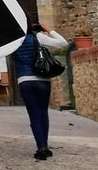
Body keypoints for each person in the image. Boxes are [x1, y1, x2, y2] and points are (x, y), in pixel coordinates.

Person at [13, 17, 68, 159]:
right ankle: (46, 146)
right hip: (43, 80)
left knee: (34, 114)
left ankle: (41, 147)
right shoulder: (38, 37)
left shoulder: (13, 41)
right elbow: (63, 43)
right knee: (43, 112)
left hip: (25, 80)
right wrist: (49, 29)